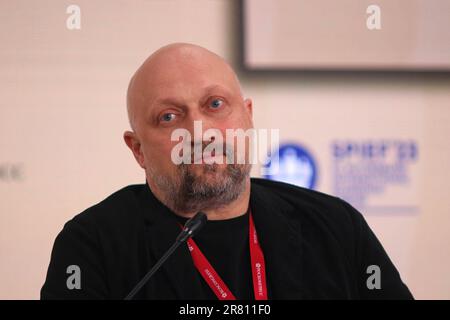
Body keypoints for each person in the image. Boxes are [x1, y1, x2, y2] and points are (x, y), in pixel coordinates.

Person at [41, 43, 413, 299]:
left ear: (248, 116)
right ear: (137, 149)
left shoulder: (337, 227)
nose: (200, 132)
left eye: (215, 104)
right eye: (169, 116)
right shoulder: (92, 246)